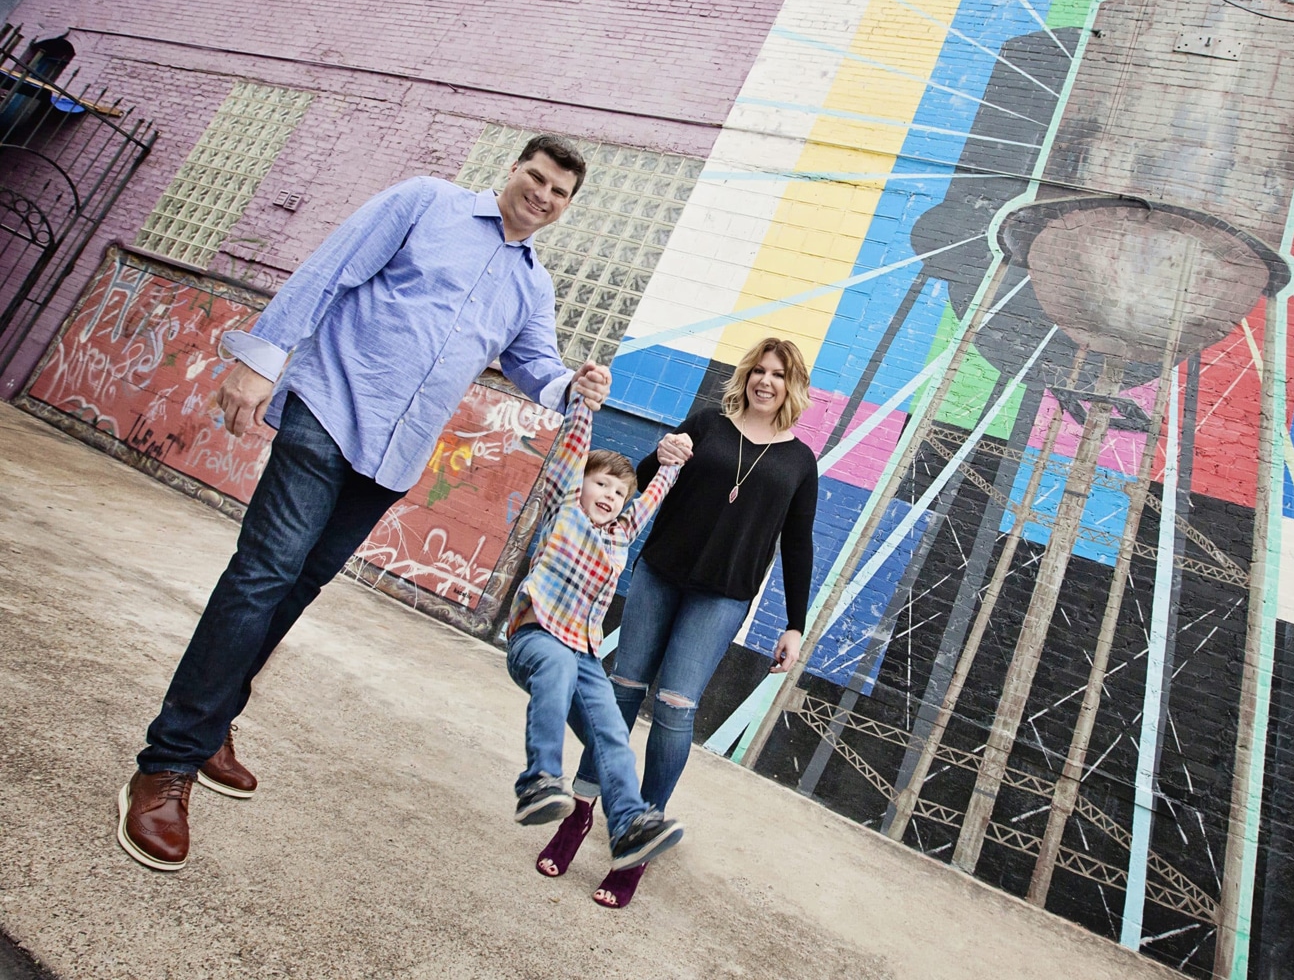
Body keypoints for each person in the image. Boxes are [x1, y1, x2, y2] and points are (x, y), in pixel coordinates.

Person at [117, 134, 609, 872]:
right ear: (511, 171)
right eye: (534, 177)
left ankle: (215, 716)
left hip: (394, 455)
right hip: (329, 405)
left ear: (568, 207)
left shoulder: (532, 285)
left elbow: (533, 364)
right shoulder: (425, 202)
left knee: (297, 587)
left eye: (558, 192)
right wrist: (259, 360)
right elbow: (328, 271)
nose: (541, 195)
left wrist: (572, 385)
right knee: (263, 574)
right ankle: (166, 765)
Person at [536, 337, 819, 908]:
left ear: (793, 387)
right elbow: (641, 480)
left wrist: (794, 623)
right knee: (619, 696)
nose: (766, 381)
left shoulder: (799, 462)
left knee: (673, 710)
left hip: (721, 599)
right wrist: (657, 457)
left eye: (779, 375)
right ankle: (581, 812)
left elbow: (798, 544)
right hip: (660, 575)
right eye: (759, 370)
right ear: (747, 375)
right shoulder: (709, 424)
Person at [505, 390, 692, 874]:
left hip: (584, 654)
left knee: (611, 730)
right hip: (537, 637)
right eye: (602, 484)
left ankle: (629, 824)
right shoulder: (564, 508)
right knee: (558, 662)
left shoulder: (620, 535)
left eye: (618, 492)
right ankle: (541, 779)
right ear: (581, 484)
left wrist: (671, 465)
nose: (610, 496)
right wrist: (586, 404)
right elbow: (572, 451)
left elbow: (650, 498)